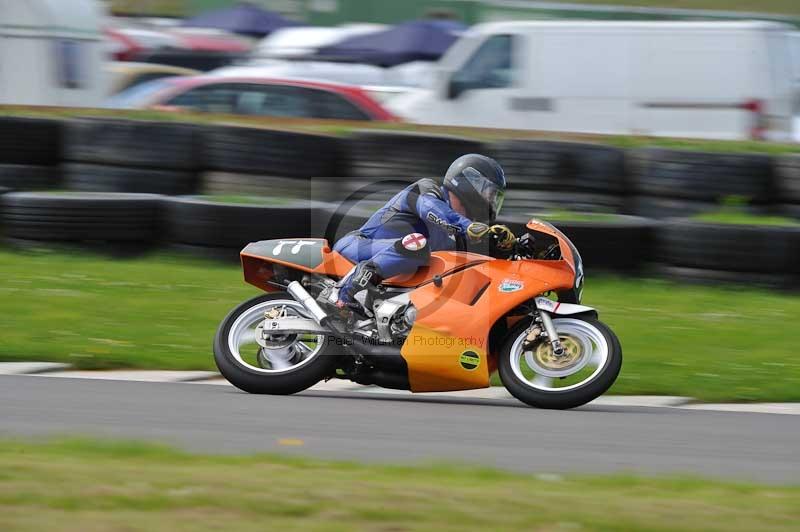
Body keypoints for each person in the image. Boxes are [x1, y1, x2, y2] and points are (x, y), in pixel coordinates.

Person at [333, 154, 515, 308]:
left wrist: (507, 247)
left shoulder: (458, 236)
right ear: (469, 182)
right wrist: (468, 227)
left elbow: (480, 264)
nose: (492, 201)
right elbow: (431, 208)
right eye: (490, 193)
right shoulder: (426, 190)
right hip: (357, 247)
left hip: (396, 274)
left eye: (495, 197)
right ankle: (347, 292)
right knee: (417, 244)